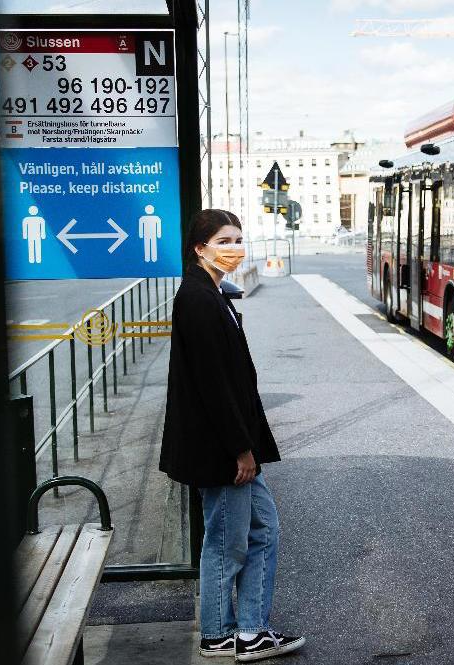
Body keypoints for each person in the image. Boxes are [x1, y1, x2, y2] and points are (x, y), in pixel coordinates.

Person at [159, 208, 305, 661]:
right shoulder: (198, 300)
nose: (234, 248)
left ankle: (247, 630)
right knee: (226, 541)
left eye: (239, 239)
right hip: (222, 449)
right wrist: (241, 450)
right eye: (224, 241)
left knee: (263, 528)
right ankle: (221, 634)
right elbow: (214, 385)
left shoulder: (213, 293)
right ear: (200, 248)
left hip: (231, 445)